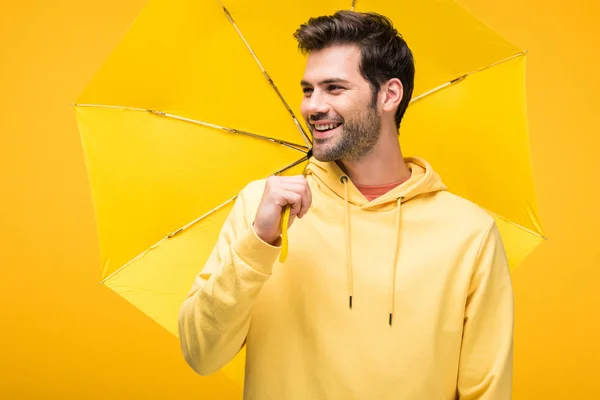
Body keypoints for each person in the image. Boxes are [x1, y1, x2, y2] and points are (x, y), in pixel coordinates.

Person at [178, 10, 513, 400]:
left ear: (389, 94)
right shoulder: (262, 208)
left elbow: (486, 392)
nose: (312, 107)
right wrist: (259, 240)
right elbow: (201, 354)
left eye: (334, 88)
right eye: (308, 90)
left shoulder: (468, 233)